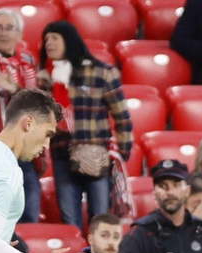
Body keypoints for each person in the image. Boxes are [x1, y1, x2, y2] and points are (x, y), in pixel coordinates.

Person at [39, 21, 133, 228]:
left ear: (69, 40)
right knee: (69, 223)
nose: (48, 43)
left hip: (95, 156)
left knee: (100, 219)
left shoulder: (102, 72)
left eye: (54, 38)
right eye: (46, 39)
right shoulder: (43, 78)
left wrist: (122, 154)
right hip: (61, 156)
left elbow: (122, 117)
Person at [0, 8, 44, 225]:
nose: (3, 33)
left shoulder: (27, 60)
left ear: (19, 34)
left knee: (30, 206)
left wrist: (15, 89)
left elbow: (36, 102)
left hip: (25, 145)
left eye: (9, 28)